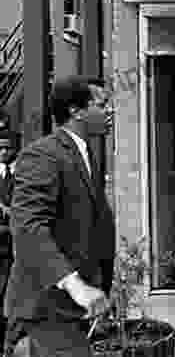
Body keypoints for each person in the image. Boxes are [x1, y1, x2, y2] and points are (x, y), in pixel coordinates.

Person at [4, 75, 115, 357]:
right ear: (75, 111)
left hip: (69, 313)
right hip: (45, 310)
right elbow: (28, 227)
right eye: (102, 105)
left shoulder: (86, 153)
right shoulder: (43, 156)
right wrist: (76, 286)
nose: (109, 111)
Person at [0, 131, 18, 356]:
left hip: (12, 241)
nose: (4, 152)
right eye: (0, 147)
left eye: (8, 147)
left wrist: (9, 210)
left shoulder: (20, 174)